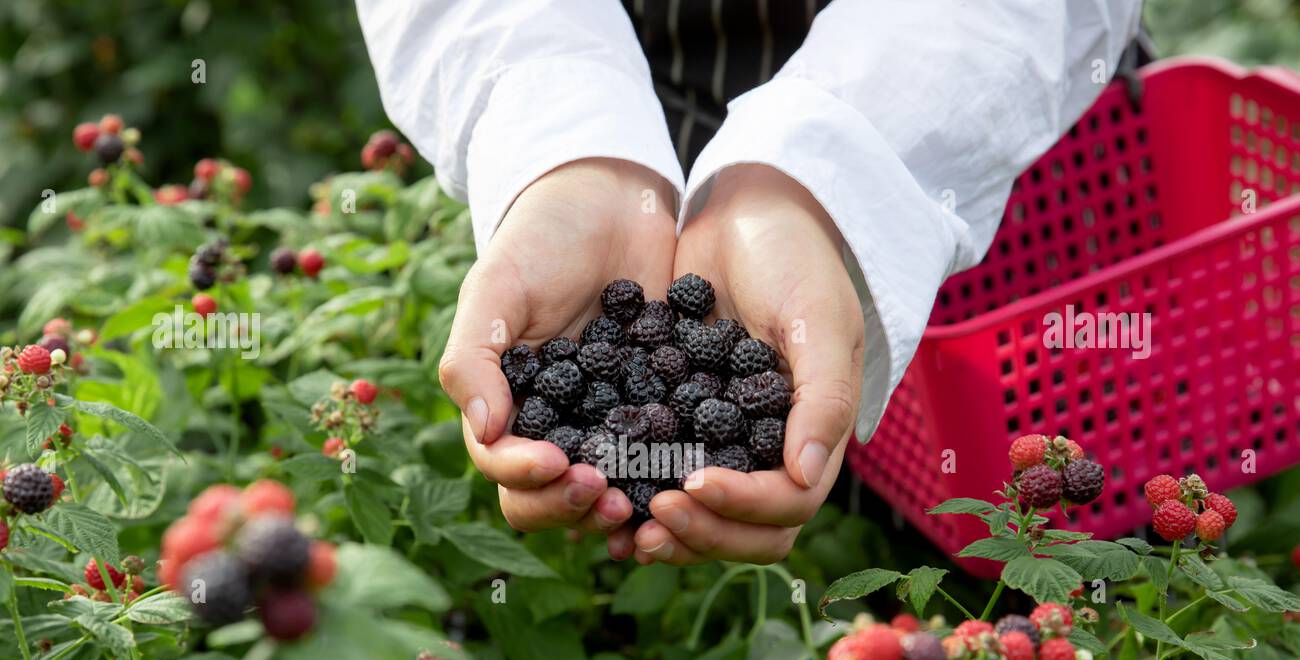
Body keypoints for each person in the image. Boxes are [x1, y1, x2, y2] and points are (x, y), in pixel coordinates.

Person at [355, 0, 1143, 566]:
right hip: (650, 106)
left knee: (1041, 547)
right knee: (840, 565)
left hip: (1003, 119)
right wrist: (570, 150)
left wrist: (815, 179)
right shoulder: (658, 347)